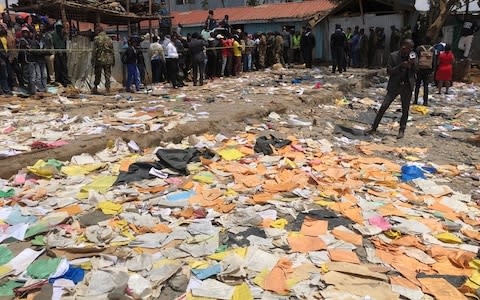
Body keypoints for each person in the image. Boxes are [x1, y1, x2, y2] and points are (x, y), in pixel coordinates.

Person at [366, 39, 418, 139]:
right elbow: (389, 71)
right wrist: (401, 66)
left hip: (407, 86)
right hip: (395, 85)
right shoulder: (393, 56)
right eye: (409, 47)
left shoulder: (413, 55)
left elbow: (416, 69)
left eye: (412, 48)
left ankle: (401, 130)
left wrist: (412, 64)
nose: (411, 49)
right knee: (384, 106)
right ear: (403, 47)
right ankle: (374, 127)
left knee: (405, 110)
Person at [91, 26, 114, 94]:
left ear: (98, 31)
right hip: (108, 59)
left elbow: (94, 51)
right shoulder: (109, 38)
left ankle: (95, 87)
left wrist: (92, 60)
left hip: (100, 59)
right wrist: (113, 60)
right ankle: (107, 89)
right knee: (107, 75)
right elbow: (112, 50)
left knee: (98, 74)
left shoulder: (97, 38)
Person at [414, 38, 433, 106]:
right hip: (428, 70)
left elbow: (416, 59)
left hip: (419, 69)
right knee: (426, 86)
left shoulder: (419, 48)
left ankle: (415, 100)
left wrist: (415, 68)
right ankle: (425, 102)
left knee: (417, 85)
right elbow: (434, 60)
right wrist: (432, 70)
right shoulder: (433, 49)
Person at [52, 20, 71, 87]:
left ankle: (64, 80)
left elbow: (65, 42)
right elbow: (55, 42)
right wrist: (58, 49)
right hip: (58, 52)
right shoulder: (54, 34)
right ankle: (59, 80)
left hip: (63, 52)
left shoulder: (62, 34)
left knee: (64, 67)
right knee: (58, 67)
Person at [18, 26, 36, 95]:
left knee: (31, 77)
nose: (25, 34)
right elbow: (22, 52)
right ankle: (30, 90)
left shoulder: (29, 41)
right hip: (25, 60)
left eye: (26, 32)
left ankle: (32, 91)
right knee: (27, 77)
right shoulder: (22, 41)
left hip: (29, 60)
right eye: (24, 32)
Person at [34, 25, 51, 93]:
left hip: (42, 60)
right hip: (37, 60)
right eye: (37, 33)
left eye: (39, 32)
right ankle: (40, 89)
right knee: (38, 76)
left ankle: (45, 88)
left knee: (44, 75)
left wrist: (42, 52)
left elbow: (47, 51)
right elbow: (35, 52)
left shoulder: (43, 42)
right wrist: (42, 52)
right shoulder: (34, 42)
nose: (38, 34)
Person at [0, 24, 11, 95]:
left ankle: (6, 89)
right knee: (3, 75)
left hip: (6, 58)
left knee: (5, 74)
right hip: (1, 59)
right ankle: (4, 90)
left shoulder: (5, 37)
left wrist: (8, 55)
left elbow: (8, 47)